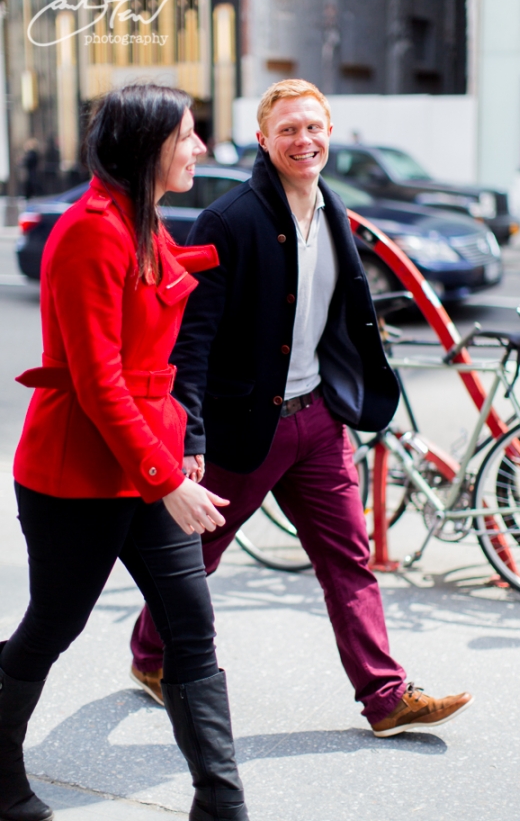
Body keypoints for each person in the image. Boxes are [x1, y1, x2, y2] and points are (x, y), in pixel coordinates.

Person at [130, 79, 473, 738]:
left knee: (348, 559)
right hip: (243, 427)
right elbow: (193, 339)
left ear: (329, 133)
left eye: (313, 127)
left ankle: (385, 697)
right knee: (200, 555)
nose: (303, 139)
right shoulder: (227, 220)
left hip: (318, 421)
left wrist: (353, 388)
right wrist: (190, 435)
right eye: (287, 129)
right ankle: (150, 655)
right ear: (264, 140)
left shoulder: (333, 207)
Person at [0, 85, 249, 821]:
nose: (200, 148)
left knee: (191, 628)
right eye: (188, 135)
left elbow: (170, 296)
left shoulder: (141, 220)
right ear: (147, 147)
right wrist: (166, 477)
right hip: (77, 472)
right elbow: (99, 382)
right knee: (54, 624)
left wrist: (181, 446)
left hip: (149, 461)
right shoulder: (89, 231)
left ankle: (222, 804)